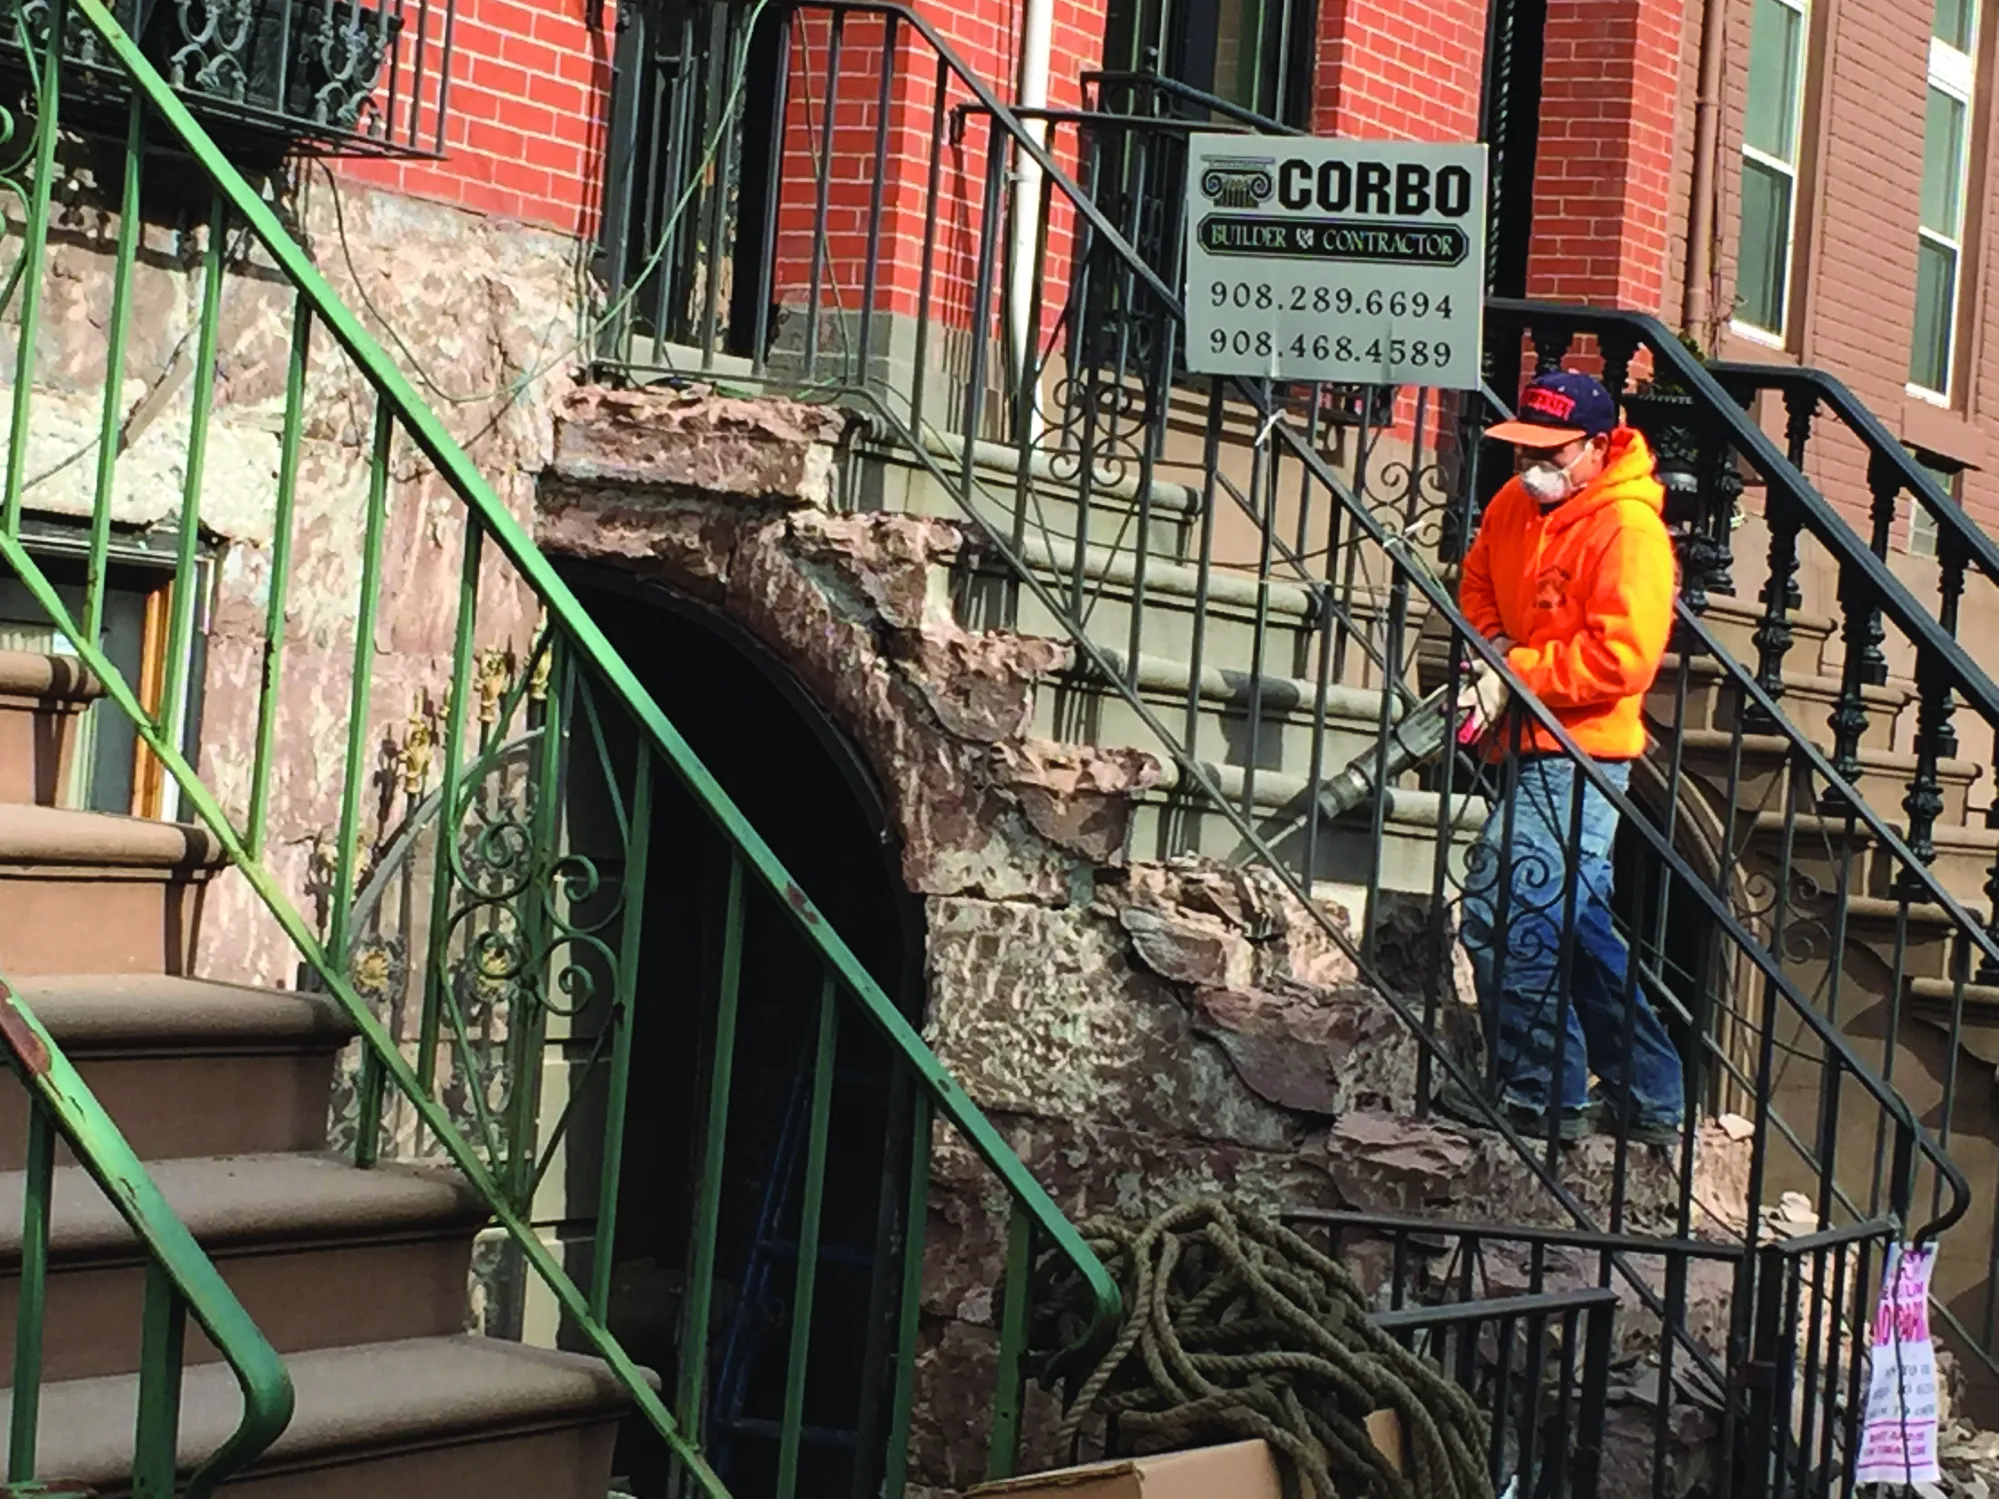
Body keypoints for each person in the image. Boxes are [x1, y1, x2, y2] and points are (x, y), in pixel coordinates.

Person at [1435, 369, 1686, 1146]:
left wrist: (1515, 670)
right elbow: (1476, 582)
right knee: (1572, 927)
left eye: (1550, 452)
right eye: (1524, 450)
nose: (1531, 466)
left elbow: (1622, 659)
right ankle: (1649, 1093)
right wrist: (1495, 648)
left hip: (1580, 754)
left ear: (1597, 447)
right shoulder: (1514, 505)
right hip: (1529, 741)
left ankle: (1538, 1093)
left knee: (1505, 912)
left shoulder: (1628, 530)